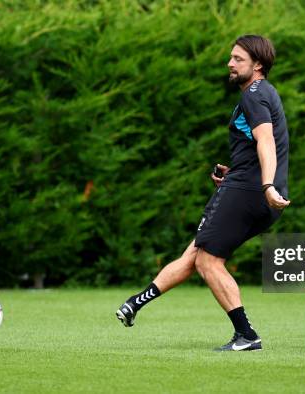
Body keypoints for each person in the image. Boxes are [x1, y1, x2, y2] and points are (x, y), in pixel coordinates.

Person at [116, 34, 290, 351]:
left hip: (251, 190)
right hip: (250, 189)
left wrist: (264, 184)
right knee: (197, 252)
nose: (230, 63)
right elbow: (261, 145)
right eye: (231, 57)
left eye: (238, 59)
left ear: (258, 64)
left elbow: (266, 141)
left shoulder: (253, 95)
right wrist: (243, 175)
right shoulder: (264, 93)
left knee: (207, 260)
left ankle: (246, 336)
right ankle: (135, 303)